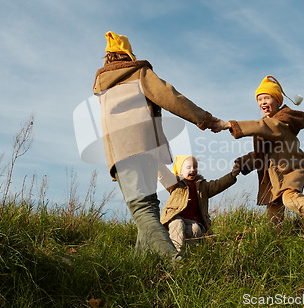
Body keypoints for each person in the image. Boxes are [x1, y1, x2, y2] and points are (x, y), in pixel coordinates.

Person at [93, 31, 220, 260]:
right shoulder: (139, 72)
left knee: (143, 210)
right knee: (148, 209)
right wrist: (205, 119)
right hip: (147, 149)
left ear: (107, 58)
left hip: (121, 153)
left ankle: (175, 262)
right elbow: (170, 97)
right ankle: (141, 264)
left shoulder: (101, 86)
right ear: (128, 55)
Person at [212, 75, 304, 229]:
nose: (262, 102)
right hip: (275, 176)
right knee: (273, 218)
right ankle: (278, 243)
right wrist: (242, 164)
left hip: (291, 169)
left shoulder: (282, 121)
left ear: (278, 101)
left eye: (267, 98)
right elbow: (261, 155)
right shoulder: (266, 125)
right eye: (259, 99)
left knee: (291, 199)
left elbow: (267, 126)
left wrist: (230, 125)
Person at [160, 155, 240, 253]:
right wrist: (158, 164)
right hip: (176, 216)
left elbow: (217, 185)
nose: (193, 169)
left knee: (196, 229)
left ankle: (193, 254)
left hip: (192, 220)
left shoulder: (202, 186)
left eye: (195, 167)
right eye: (188, 167)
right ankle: (177, 253)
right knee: (178, 225)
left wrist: (232, 175)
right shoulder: (175, 183)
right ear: (180, 171)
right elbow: (164, 176)